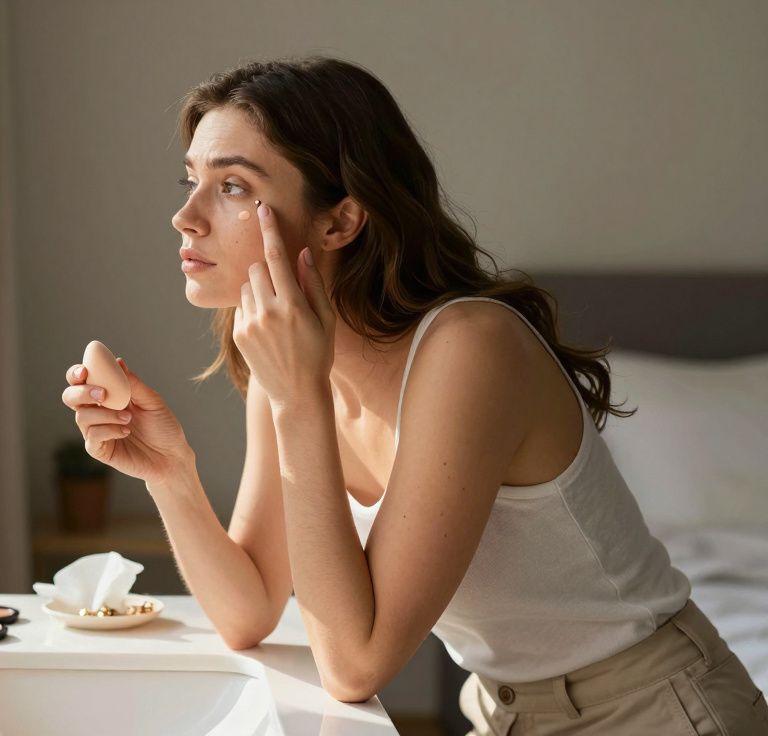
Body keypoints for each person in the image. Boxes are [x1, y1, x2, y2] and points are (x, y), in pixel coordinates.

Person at [61, 56, 768, 734]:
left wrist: (298, 400)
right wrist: (171, 474)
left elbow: (356, 662)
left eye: (234, 187)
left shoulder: (470, 348)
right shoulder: (291, 367)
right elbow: (248, 611)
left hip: (659, 712)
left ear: (340, 220)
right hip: (506, 712)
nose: (186, 217)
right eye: (190, 181)